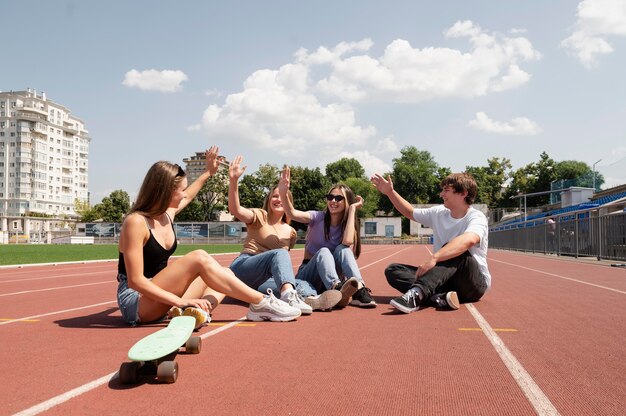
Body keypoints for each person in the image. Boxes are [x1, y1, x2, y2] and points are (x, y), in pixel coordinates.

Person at [116, 146, 301, 327]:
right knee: (198, 257)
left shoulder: (166, 215)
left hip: (161, 296)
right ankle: (261, 302)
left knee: (227, 273)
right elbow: (135, 281)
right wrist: (179, 301)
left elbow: (188, 197)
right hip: (136, 302)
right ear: (166, 191)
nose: (183, 195)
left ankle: (200, 312)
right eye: (181, 190)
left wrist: (208, 172)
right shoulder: (136, 222)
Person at [227, 155, 341, 313]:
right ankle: (291, 297)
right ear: (269, 200)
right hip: (244, 268)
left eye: (282, 196)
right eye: (274, 196)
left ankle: (311, 299)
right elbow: (236, 210)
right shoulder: (259, 216)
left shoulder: (290, 232)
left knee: (301, 284)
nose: (278, 199)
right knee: (279, 255)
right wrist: (233, 181)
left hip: (265, 280)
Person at [370, 172, 490, 313]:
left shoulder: (476, 217)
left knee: (454, 249)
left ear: (463, 193)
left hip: (472, 284)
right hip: (444, 282)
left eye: (446, 190)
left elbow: (469, 239)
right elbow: (410, 213)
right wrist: (390, 193)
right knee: (393, 270)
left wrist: (435, 257)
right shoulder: (438, 213)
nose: (441, 194)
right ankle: (439, 298)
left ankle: (416, 295)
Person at [277, 166, 377, 308]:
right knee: (324, 251)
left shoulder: (347, 225)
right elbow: (292, 213)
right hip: (309, 274)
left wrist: (353, 209)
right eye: (330, 197)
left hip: (334, 275)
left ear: (346, 202)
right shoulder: (317, 217)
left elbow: (347, 242)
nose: (333, 201)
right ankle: (336, 289)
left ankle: (359, 290)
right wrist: (283, 193)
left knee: (344, 249)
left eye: (338, 198)